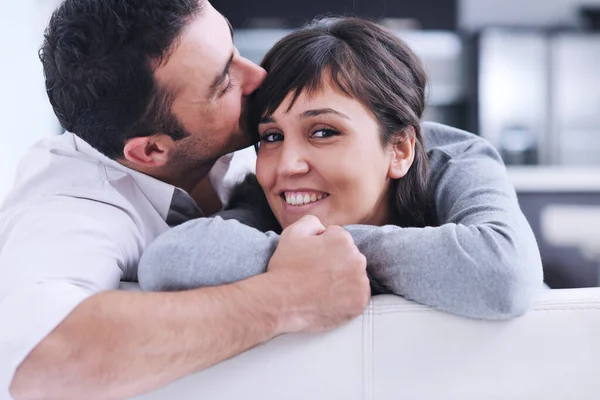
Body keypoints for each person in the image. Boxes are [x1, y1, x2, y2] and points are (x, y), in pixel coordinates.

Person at [0, 1, 539, 399]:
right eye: (222, 82)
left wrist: (435, 149)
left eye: (233, 47)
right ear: (151, 151)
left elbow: (498, 269)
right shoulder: (71, 207)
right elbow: (37, 357)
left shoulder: (230, 145)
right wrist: (292, 293)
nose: (256, 77)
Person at [138, 17, 544, 320]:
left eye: (324, 131)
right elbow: (168, 263)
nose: (288, 166)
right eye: (272, 137)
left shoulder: (455, 160)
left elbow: (502, 275)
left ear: (400, 148)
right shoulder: (266, 203)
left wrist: (327, 253)